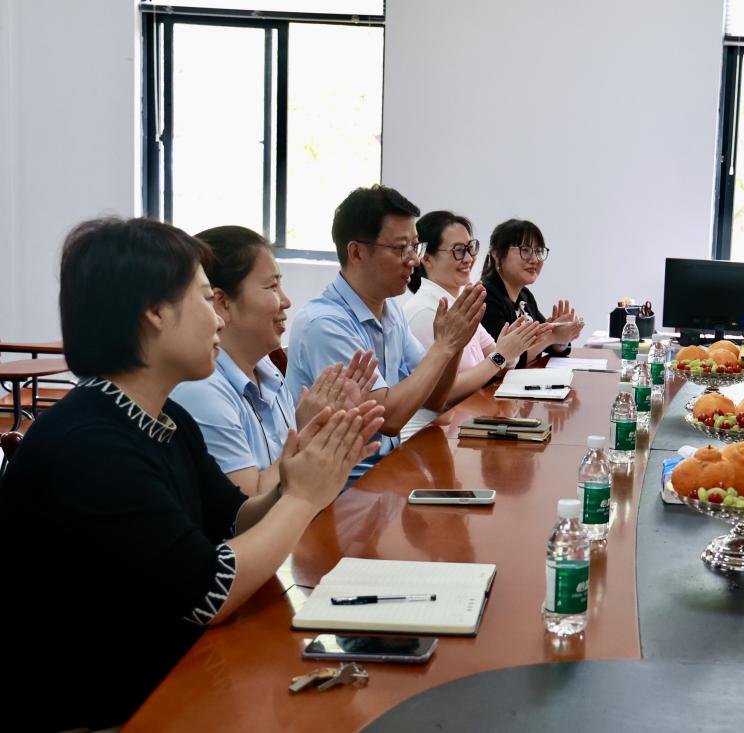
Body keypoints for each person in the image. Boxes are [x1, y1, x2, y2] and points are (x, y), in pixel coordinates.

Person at [0, 218, 383, 730]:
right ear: (155, 312)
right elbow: (210, 593)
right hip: (95, 713)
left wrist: (296, 478)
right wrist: (302, 500)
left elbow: (233, 520)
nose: (218, 319)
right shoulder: (90, 445)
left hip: (162, 679)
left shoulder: (166, 418)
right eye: (205, 299)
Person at [172, 225, 380, 495]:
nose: (286, 301)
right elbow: (245, 506)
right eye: (272, 286)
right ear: (222, 303)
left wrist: (327, 426)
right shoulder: (201, 390)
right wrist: (308, 433)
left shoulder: (266, 368)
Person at [286, 186, 486, 465]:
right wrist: (444, 347)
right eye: (401, 248)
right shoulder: (325, 324)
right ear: (356, 253)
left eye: (414, 246)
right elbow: (387, 419)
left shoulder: (391, 310)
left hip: (389, 466)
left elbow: (436, 399)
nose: (414, 259)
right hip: (347, 482)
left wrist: (454, 346)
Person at [402, 211, 552, 432]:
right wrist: (501, 356)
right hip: (434, 433)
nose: (469, 259)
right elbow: (441, 396)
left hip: (468, 421)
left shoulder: (458, 304)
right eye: (458, 251)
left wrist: (509, 349)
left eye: (470, 248)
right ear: (426, 258)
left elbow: (499, 359)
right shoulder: (426, 312)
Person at [479, 218, 584, 368]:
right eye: (525, 250)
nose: (535, 259)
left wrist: (558, 335)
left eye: (539, 251)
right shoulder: (486, 298)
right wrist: (552, 336)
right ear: (496, 254)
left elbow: (545, 345)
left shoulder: (525, 295)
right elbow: (505, 361)